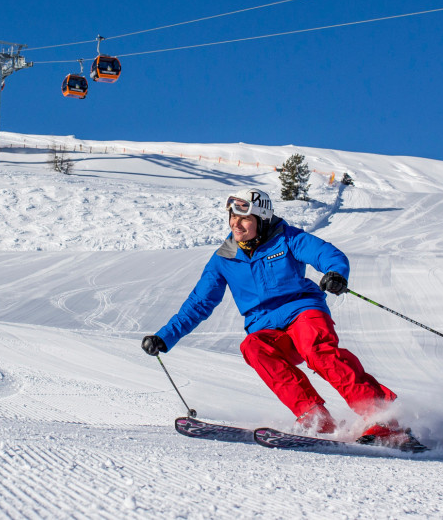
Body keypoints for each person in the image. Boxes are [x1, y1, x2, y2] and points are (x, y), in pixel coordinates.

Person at [141, 187, 412, 446]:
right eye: (233, 217)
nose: (236, 224)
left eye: (244, 219)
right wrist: (165, 337)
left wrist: (335, 273)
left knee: (316, 350)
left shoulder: (286, 238)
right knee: (252, 347)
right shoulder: (224, 257)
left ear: (261, 219)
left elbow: (326, 253)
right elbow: (200, 302)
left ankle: (382, 418)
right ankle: (315, 417)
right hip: (265, 327)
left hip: (303, 311)